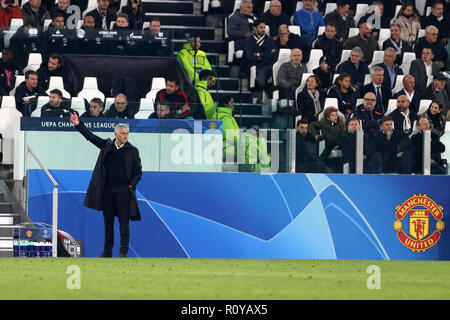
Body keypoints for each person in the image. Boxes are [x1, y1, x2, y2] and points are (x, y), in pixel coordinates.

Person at [69, 113, 142, 258]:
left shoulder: (132, 150)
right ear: (116, 134)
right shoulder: (107, 145)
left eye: (127, 133)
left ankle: (123, 252)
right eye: (123, 133)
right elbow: (91, 137)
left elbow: (138, 171)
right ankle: (107, 252)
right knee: (108, 222)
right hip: (107, 190)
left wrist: (130, 186)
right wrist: (78, 124)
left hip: (124, 190)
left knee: (123, 222)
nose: (126, 136)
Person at [243, 19, 277, 94]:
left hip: (268, 65)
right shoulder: (249, 40)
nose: (263, 29)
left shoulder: (270, 40)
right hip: (255, 65)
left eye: (264, 27)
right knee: (261, 81)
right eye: (261, 27)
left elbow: (274, 55)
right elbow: (250, 56)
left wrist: (259, 55)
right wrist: (267, 55)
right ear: (255, 28)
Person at [309, 107, 346, 172]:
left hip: (339, 144)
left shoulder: (340, 124)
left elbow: (343, 135)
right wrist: (315, 135)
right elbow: (312, 125)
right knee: (322, 158)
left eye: (336, 115)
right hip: (328, 144)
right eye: (332, 115)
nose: (335, 117)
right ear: (328, 117)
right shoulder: (323, 123)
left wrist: (339, 144)